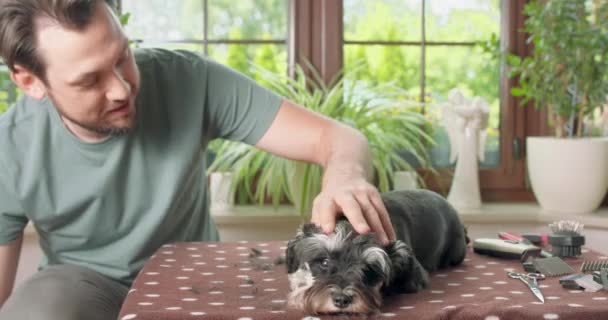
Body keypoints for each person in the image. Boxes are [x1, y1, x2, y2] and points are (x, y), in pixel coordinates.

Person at [0, 0, 396, 318]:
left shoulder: (190, 79)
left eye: (122, 56)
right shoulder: (8, 147)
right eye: (89, 80)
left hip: (191, 278)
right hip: (81, 289)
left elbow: (337, 137)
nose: (122, 89)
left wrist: (345, 175)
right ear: (29, 81)